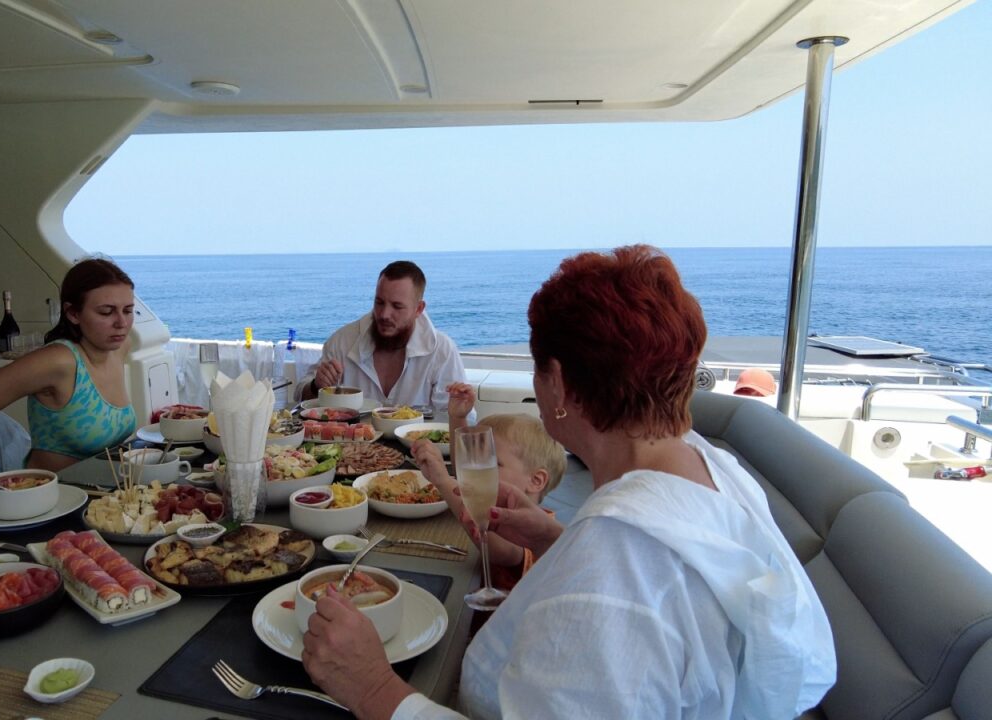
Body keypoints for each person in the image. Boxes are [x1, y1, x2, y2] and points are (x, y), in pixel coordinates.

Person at [302, 245, 836, 719]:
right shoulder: (712, 467)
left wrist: (374, 689)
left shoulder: (611, 570)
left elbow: (622, 593)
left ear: (557, 384)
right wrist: (558, 543)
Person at [0, 258, 137, 475]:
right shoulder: (57, 361)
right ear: (73, 314)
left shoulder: (120, 348)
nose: (121, 323)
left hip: (105, 494)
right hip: (54, 498)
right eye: (106, 312)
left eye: (128, 310)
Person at [412, 382, 565, 589]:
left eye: (492, 462)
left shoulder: (536, 530)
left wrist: (442, 480)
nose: (479, 468)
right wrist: (458, 418)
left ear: (536, 480)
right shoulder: (491, 499)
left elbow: (496, 548)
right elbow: (468, 470)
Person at [299, 261, 464, 411]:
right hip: (351, 442)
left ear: (418, 309)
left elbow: (456, 422)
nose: (384, 314)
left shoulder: (442, 351)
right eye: (379, 303)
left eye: (397, 306)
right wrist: (316, 386)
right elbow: (302, 399)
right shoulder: (342, 342)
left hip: (417, 443)